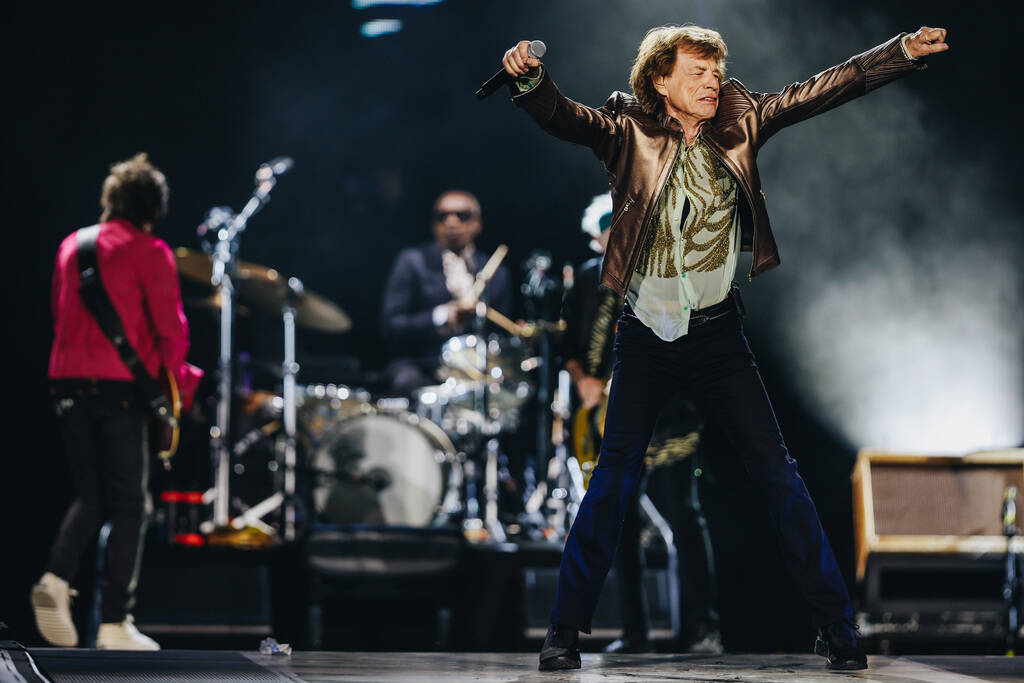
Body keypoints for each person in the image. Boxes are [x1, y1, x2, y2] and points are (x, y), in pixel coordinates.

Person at [497, 24, 949, 671]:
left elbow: (825, 88)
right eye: (698, 71)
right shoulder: (627, 131)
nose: (713, 80)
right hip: (646, 337)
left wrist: (897, 54)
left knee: (779, 476)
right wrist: (532, 82)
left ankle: (837, 627)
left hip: (717, 335)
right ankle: (565, 630)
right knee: (613, 483)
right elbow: (564, 118)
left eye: (717, 70)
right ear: (660, 81)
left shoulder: (742, 120)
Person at [34, 153, 201, 650]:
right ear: (153, 207)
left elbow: (58, 315)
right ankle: (113, 623)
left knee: (90, 497)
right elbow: (171, 334)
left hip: (65, 382)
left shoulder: (72, 245)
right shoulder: (150, 250)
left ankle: (56, 579)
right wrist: (180, 391)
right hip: (118, 390)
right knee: (132, 505)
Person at [562, 194, 720, 654]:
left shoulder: (664, 276)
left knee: (684, 521)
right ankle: (635, 632)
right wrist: (584, 381)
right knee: (622, 526)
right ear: (598, 237)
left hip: (668, 419)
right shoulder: (585, 284)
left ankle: (702, 627)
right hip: (612, 425)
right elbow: (569, 346)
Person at [380, 189, 514, 396]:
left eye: (462, 216)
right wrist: (441, 316)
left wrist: (518, 337)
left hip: (475, 367)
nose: (452, 223)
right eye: (443, 216)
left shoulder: (496, 272)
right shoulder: (412, 262)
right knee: (406, 380)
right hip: (421, 363)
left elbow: (501, 333)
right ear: (434, 224)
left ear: (477, 224)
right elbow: (391, 325)